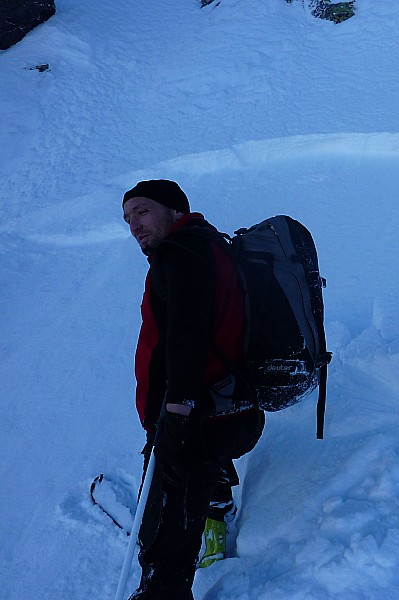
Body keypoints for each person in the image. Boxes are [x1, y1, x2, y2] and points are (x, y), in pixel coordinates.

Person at [122, 179, 264, 599]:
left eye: (143, 212)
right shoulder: (210, 244)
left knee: (162, 533)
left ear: (175, 210)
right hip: (227, 406)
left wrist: (176, 415)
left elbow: (187, 337)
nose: (134, 225)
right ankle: (214, 508)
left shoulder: (180, 254)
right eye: (128, 218)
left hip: (192, 417)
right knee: (196, 482)